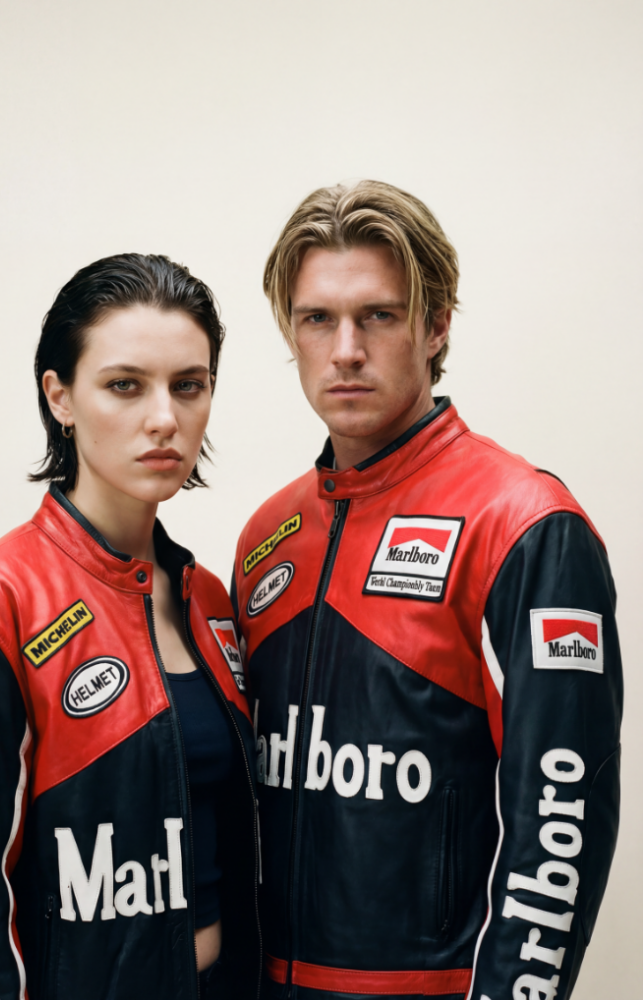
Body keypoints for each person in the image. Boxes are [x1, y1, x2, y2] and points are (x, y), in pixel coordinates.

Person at [231, 182, 622, 1000]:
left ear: (436, 325)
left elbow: (561, 821)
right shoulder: (268, 534)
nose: (345, 349)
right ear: (289, 334)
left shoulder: (523, 524)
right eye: (317, 319)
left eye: (377, 315)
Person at [0, 254, 261, 1000]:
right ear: (60, 397)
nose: (164, 417)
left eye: (188, 386)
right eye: (124, 385)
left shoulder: (212, 601)